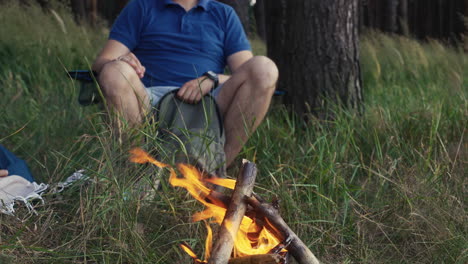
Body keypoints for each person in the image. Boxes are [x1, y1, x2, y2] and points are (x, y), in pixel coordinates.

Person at [92, 0, 278, 167]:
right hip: (147, 99)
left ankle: (217, 169)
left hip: (209, 101)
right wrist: (123, 61)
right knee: (114, 70)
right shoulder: (141, 6)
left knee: (264, 68)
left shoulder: (223, 14)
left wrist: (212, 78)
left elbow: (245, 74)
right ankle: (137, 169)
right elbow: (103, 61)